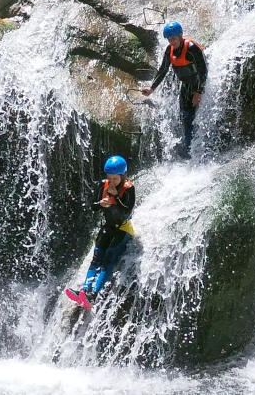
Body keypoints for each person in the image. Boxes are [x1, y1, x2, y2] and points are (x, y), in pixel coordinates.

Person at [65, 155, 136, 309]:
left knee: (107, 259)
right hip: (108, 226)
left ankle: (94, 295)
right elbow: (93, 206)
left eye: (115, 179)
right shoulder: (103, 185)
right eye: (109, 177)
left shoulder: (129, 188)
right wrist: (100, 203)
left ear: (123, 176)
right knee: (96, 257)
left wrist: (115, 197)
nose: (111, 181)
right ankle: (84, 291)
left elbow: (127, 210)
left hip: (123, 228)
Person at [141, 21, 208, 158]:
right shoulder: (169, 50)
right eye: (169, 39)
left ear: (181, 36)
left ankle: (202, 148)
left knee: (197, 116)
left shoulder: (191, 48)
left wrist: (198, 92)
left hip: (199, 85)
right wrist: (152, 88)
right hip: (186, 86)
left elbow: (203, 72)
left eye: (174, 39)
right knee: (185, 116)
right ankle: (189, 149)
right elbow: (163, 70)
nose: (172, 42)